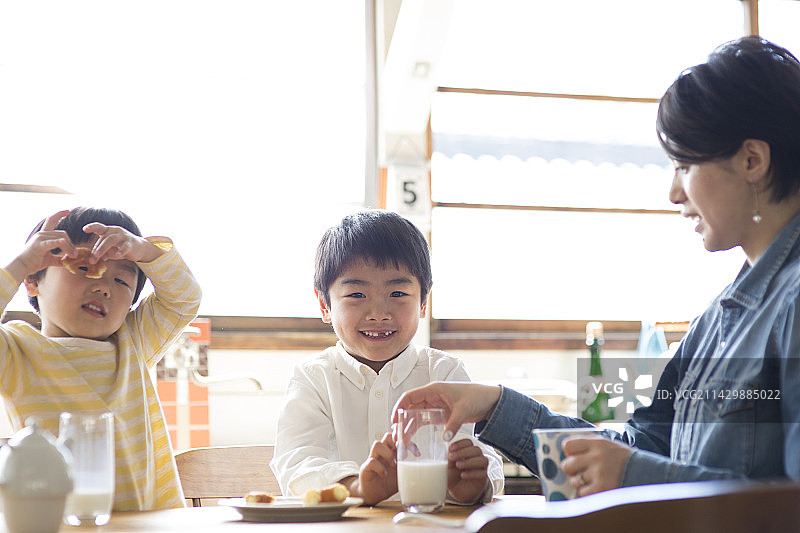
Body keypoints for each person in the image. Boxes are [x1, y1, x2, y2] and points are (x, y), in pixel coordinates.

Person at [393, 36, 800, 498]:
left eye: (684, 165)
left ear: (753, 160)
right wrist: (490, 404)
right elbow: (641, 447)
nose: (673, 193)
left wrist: (632, 473)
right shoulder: (719, 319)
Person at [270, 210, 504, 505]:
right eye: (356, 295)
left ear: (423, 301)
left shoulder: (445, 373)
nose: (378, 313)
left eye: (397, 293)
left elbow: (479, 458)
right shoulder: (313, 379)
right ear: (324, 304)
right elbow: (296, 463)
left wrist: (470, 486)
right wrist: (357, 487)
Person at [0, 207, 202, 510]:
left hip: (151, 524)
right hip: (62, 525)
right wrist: (21, 263)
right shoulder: (18, 351)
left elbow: (184, 299)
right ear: (32, 282)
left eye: (122, 281)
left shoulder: (133, 342)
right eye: (83, 269)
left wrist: (144, 251)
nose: (103, 287)